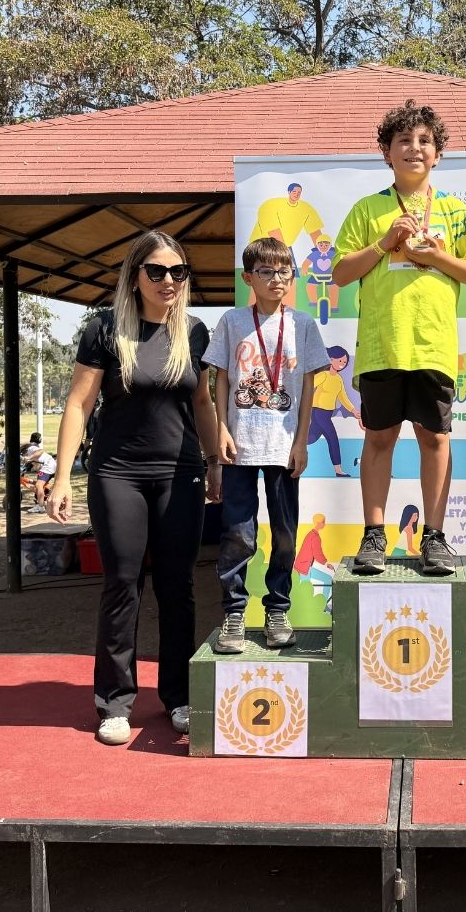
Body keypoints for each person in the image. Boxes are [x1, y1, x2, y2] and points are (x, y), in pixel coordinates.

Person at [47, 231, 221, 745]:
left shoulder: (195, 331)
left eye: (178, 272)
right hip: (117, 473)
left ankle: (179, 696)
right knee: (122, 584)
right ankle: (115, 701)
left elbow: (202, 402)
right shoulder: (105, 329)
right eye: (157, 271)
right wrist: (62, 476)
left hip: (181, 474)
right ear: (135, 275)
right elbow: (78, 403)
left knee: (178, 586)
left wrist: (214, 461)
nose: (169, 280)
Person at [332, 99, 466, 576]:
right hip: (382, 344)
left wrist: (436, 258)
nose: (414, 148)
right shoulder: (368, 208)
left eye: (425, 141)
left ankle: (435, 536)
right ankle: (373, 534)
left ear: (438, 154)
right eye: (404, 140)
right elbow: (340, 273)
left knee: (435, 439)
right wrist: (384, 244)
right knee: (379, 438)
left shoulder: (455, 211)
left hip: (433, 346)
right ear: (387, 152)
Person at [205, 237, 328, 655]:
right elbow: (221, 378)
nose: (277, 279)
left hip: (283, 447)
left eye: (284, 271)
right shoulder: (232, 321)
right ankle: (234, 612)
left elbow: (308, 387)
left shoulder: (303, 324)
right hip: (240, 446)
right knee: (238, 535)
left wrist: (301, 441)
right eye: (266, 271)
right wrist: (222, 429)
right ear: (248, 278)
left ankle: (278, 608)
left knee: (285, 534)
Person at [308, 346, 359, 476]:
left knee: (310, 438)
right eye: (340, 360)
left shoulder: (338, 379)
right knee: (333, 439)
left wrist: (353, 410)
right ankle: (338, 470)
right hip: (318, 412)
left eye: (345, 362)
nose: (342, 364)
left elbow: (343, 397)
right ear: (330, 359)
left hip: (327, 413)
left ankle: (289, 444)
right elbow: (308, 385)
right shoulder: (323, 375)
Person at [300, 234, 339, 315]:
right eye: (321, 245)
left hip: (330, 276)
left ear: (330, 245)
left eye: (326, 245)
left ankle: (334, 306)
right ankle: (313, 301)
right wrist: (304, 269)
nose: (323, 247)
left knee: (334, 288)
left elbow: (339, 261)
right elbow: (306, 263)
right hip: (316, 276)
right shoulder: (314, 254)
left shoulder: (333, 254)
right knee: (310, 286)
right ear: (317, 245)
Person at [23, 442, 57, 513]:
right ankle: (41, 502)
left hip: (48, 466)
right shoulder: (29, 453)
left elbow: (40, 451)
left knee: (39, 485)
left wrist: (29, 457)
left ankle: (40, 506)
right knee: (39, 485)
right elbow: (37, 462)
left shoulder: (30, 448)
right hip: (49, 466)